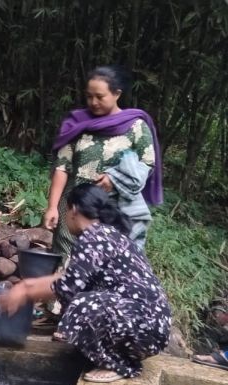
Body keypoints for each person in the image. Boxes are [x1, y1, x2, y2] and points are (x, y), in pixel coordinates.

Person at [0, 184, 171, 383]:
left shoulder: (94, 237)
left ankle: (121, 364)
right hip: (149, 327)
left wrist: (25, 291)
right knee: (81, 299)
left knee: (81, 305)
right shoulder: (107, 234)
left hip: (143, 326)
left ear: (73, 210)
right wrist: (26, 287)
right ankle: (114, 354)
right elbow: (68, 278)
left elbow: (67, 287)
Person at [44, 66, 164, 260]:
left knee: (107, 262)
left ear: (117, 94)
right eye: (89, 96)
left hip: (112, 210)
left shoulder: (136, 126)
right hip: (73, 208)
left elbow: (148, 163)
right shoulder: (77, 123)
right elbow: (62, 166)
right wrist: (52, 207)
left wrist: (115, 179)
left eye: (100, 97)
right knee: (66, 260)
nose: (93, 102)